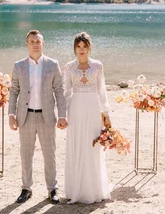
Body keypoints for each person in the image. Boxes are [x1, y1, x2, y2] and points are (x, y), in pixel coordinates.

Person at [8, 30, 68, 204]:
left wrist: (62, 115)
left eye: (38, 41)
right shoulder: (19, 65)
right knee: (25, 154)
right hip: (25, 117)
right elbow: (14, 91)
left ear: (43, 44)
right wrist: (11, 115)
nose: (35, 44)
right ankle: (26, 188)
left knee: (50, 154)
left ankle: (52, 189)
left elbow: (59, 91)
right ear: (26, 44)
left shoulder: (52, 64)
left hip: (47, 117)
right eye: (31, 41)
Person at [64, 32, 111, 204]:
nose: (81, 50)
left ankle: (93, 190)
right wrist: (62, 114)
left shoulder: (98, 66)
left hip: (93, 108)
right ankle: (75, 189)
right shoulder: (69, 66)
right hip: (75, 109)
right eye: (78, 46)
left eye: (84, 46)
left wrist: (106, 114)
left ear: (89, 48)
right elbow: (66, 92)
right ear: (74, 48)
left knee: (92, 146)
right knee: (77, 145)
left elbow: (102, 92)